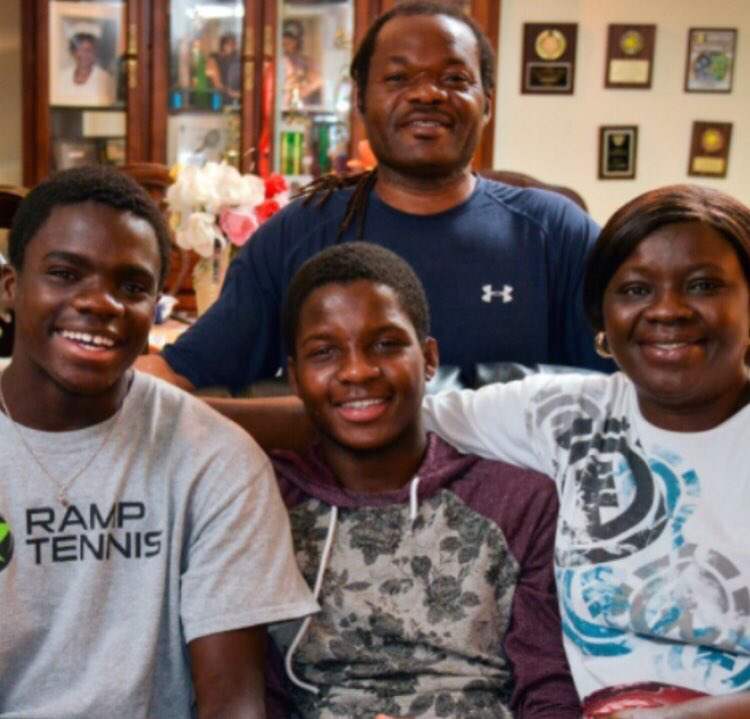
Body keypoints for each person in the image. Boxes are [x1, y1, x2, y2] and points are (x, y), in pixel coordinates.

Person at [137, 0, 610, 399]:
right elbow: (188, 371)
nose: (427, 94)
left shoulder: (556, 233)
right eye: (399, 79)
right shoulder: (298, 234)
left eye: (454, 79)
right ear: (360, 100)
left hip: (524, 501)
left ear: (487, 101)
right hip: (339, 500)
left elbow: (627, 388)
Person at [0, 166, 318, 718]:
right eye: (64, 273)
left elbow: (234, 704)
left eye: (132, 286)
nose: (100, 303)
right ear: (10, 288)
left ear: (155, 309)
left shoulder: (215, 459)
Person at [422, 185, 750, 718]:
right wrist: (232, 424)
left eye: (704, 285)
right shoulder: (571, 417)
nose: (666, 311)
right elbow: (378, 412)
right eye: (636, 290)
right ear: (603, 318)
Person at [265, 242, 580, 718]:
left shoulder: (520, 502)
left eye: (387, 344)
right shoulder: (262, 501)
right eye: (325, 352)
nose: (357, 371)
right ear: (294, 377)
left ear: (429, 359)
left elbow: (549, 690)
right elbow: (253, 689)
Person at [56, 23, 116, 106]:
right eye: (80, 50)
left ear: (95, 53)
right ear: (73, 52)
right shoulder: (62, 77)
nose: (84, 55)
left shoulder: (104, 79)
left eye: (88, 50)